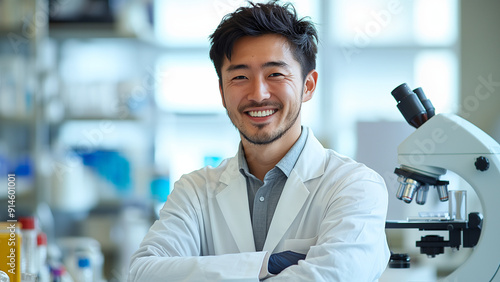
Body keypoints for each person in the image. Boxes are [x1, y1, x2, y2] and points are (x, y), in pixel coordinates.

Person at [129, 1, 390, 281]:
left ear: (309, 85)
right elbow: (143, 273)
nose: (258, 94)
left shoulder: (355, 186)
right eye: (240, 76)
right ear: (221, 91)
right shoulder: (194, 191)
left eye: (275, 74)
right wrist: (269, 265)